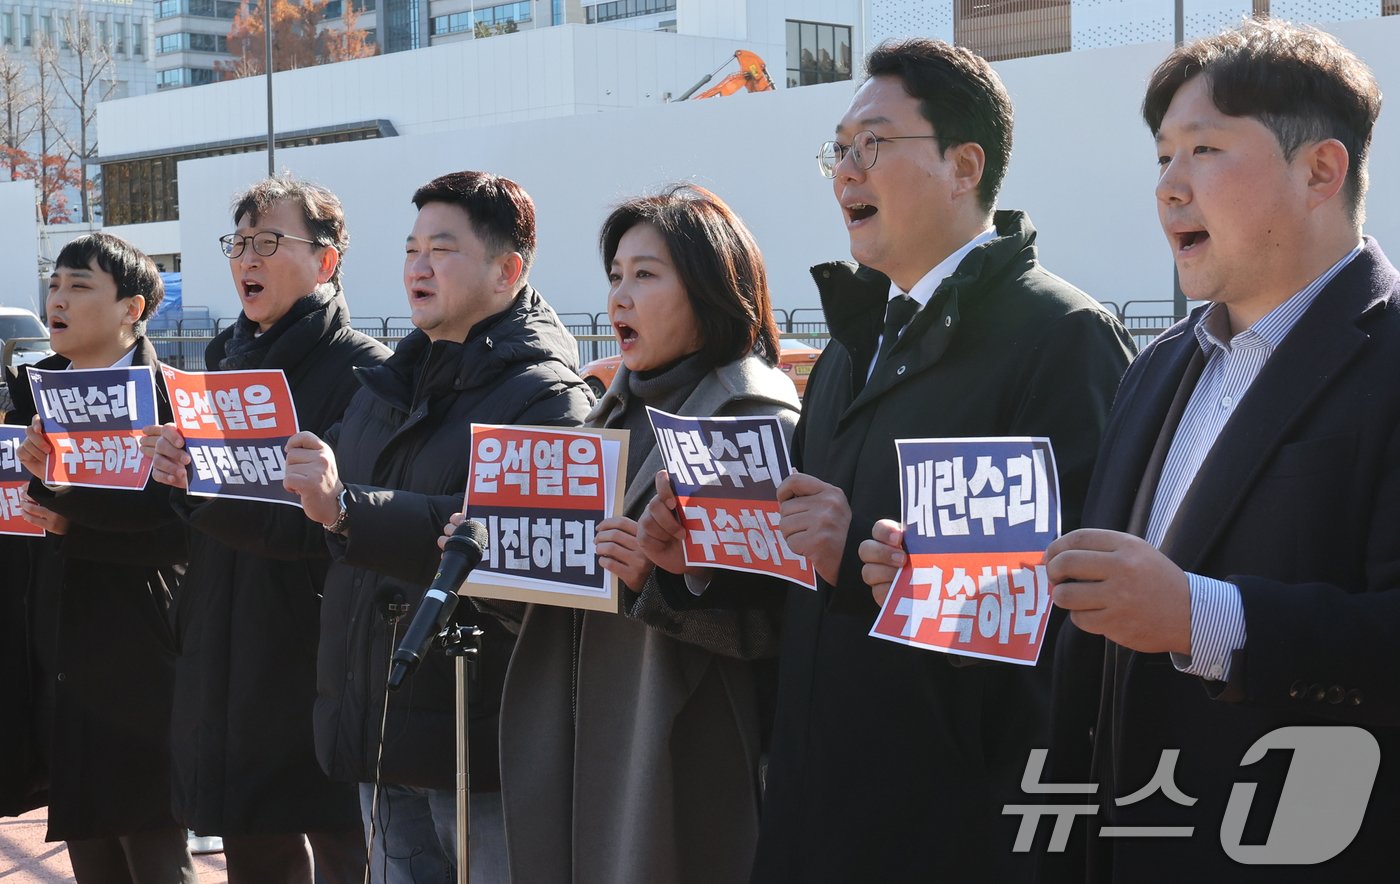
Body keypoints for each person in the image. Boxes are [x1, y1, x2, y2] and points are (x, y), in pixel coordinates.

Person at [753, 39, 1134, 882]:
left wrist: (861, 564)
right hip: (819, 811)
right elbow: (810, 582)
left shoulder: (1061, 338)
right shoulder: (852, 344)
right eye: (839, 148)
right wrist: (688, 561)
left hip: (958, 821)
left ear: (966, 166)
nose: (846, 169)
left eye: (874, 144)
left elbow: (1074, 609)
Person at [1030, 20, 1400, 879]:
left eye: (1203, 149)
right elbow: (1108, 602)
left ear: (1320, 170)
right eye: (1162, 156)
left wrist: (1203, 617)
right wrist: (947, 577)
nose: (1168, 186)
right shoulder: (1158, 365)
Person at [440, 184, 798, 884]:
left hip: (673, 755)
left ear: (711, 288)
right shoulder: (608, 417)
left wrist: (661, 582)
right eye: (614, 277)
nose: (619, 298)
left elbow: (771, 625)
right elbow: (566, 601)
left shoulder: (751, 422)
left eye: (645, 275)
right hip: (578, 747)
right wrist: (494, 565)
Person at [281, 170, 593, 884]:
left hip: (477, 746)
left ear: (508, 270)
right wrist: (187, 479)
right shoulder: (390, 383)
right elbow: (324, 513)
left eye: (442, 249)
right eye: (412, 248)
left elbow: (498, 537)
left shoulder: (547, 398)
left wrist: (348, 508)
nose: (418, 266)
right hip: (383, 723)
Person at [142, 175, 389, 884]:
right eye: (239, 243)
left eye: (269, 241)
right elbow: (199, 518)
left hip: (317, 647)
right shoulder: (221, 361)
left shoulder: (367, 373)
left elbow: (328, 524)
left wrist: (204, 496)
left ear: (326, 261)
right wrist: (174, 475)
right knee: (255, 842)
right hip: (226, 641)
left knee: (347, 846)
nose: (247, 258)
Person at [6, 233, 196, 882]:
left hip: (139, 654)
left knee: (150, 846)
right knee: (87, 843)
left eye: (79, 286)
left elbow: (181, 533)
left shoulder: (172, 401)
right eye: (54, 285)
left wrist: (66, 515)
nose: (57, 300)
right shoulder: (33, 394)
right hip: (50, 651)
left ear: (131, 309)